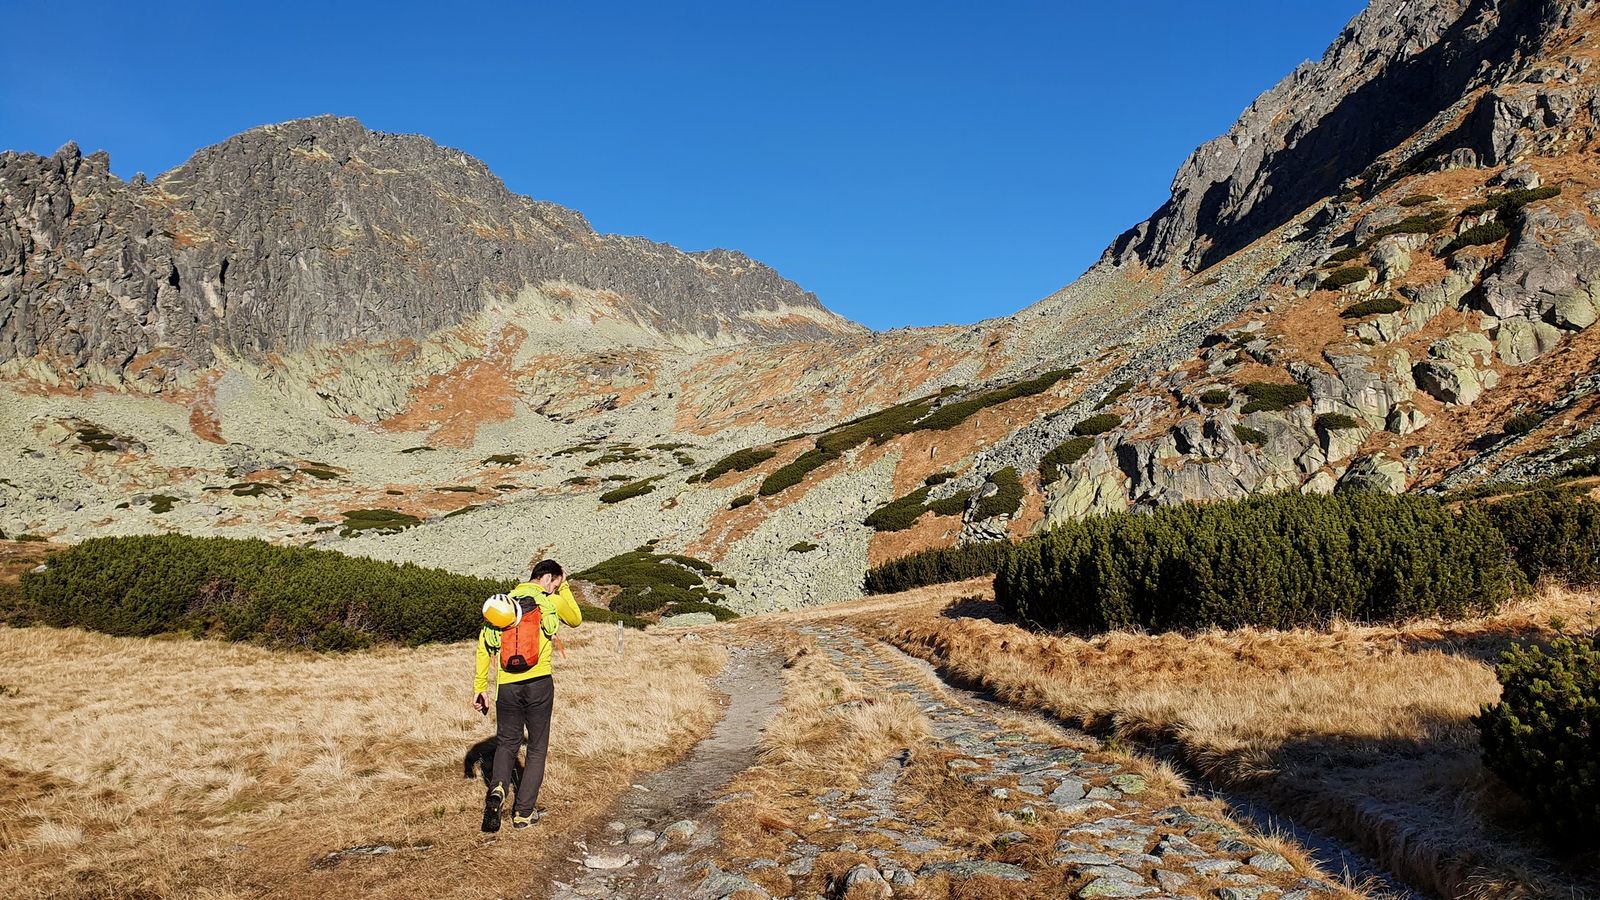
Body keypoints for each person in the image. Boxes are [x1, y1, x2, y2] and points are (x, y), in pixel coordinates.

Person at [474, 559, 582, 832]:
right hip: (539, 684)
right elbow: (576, 619)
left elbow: (483, 648)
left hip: (507, 687)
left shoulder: (503, 605)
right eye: (555, 583)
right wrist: (565, 587)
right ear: (547, 578)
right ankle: (523, 813)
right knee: (536, 748)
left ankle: (498, 788)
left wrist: (480, 688)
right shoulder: (550, 601)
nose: (555, 588)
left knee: (506, 743)